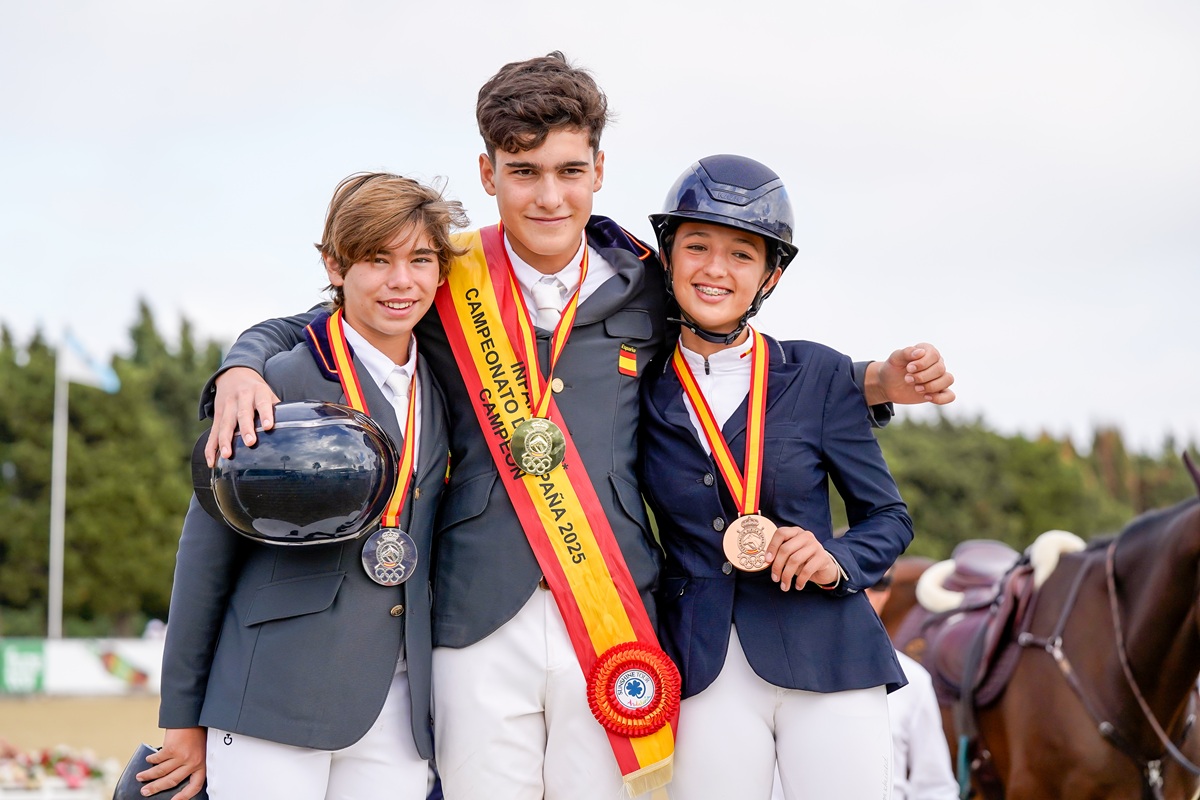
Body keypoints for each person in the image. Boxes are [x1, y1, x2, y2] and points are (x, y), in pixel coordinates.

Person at [197, 54, 954, 800]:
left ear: (599, 170)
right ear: (489, 173)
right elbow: (328, 319)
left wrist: (873, 381)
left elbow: (748, 357)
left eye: (568, 170)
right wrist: (242, 363)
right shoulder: (443, 272)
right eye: (523, 172)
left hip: (612, 607)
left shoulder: (651, 281)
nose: (548, 196)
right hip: (476, 609)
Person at [137, 172, 466, 799]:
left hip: (399, 708)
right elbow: (205, 555)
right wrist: (182, 716)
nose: (402, 281)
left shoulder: (449, 379)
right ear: (335, 265)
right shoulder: (275, 382)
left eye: (421, 259)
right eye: (378, 259)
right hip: (271, 696)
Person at [639, 154, 914, 799]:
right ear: (668, 255)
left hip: (829, 654)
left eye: (741, 255)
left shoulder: (819, 374)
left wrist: (835, 558)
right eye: (697, 246)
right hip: (700, 662)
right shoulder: (638, 387)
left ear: (770, 276)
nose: (715, 268)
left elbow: (889, 518)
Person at [866, 568, 959, 800]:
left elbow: (936, 789)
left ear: (887, 593)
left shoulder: (914, 679)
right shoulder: (781, 674)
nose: (863, 591)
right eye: (850, 579)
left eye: (877, 582)